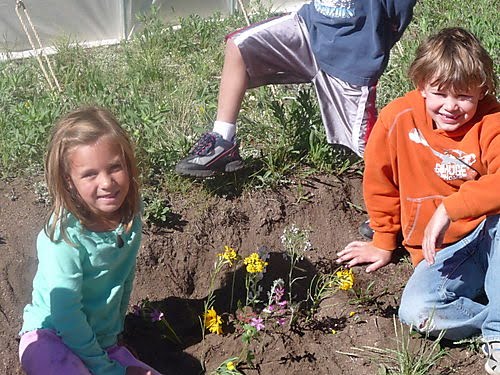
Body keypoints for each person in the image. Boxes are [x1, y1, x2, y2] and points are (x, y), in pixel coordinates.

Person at [336, 27, 500, 373]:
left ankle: (496, 334)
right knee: (417, 311)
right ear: (422, 85)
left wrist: (449, 208)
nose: (451, 107)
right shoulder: (398, 119)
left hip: (489, 235)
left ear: (481, 91)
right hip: (443, 252)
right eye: (440, 94)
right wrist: (383, 240)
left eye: (464, 97)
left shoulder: (492, 120)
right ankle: (492, 316)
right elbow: (381, 181)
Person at [175, 0, 417, 177]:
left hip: (351, 59)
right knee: (239, 47)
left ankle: (398, 205)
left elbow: (398, 15)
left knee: (370, 148)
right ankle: (222, 141)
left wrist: (371, 46)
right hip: (308, 29)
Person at [19, 107, 162, 375]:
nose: (107, 183)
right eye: (90, 174)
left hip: (100, 342)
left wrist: (115, 334)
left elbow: (123, 278)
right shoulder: (64, 238)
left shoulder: (130, 215)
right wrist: (109, 370)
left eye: (115, 168)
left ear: (128, 164)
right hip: (50, 337)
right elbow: (66, 314)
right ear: (68, 181)